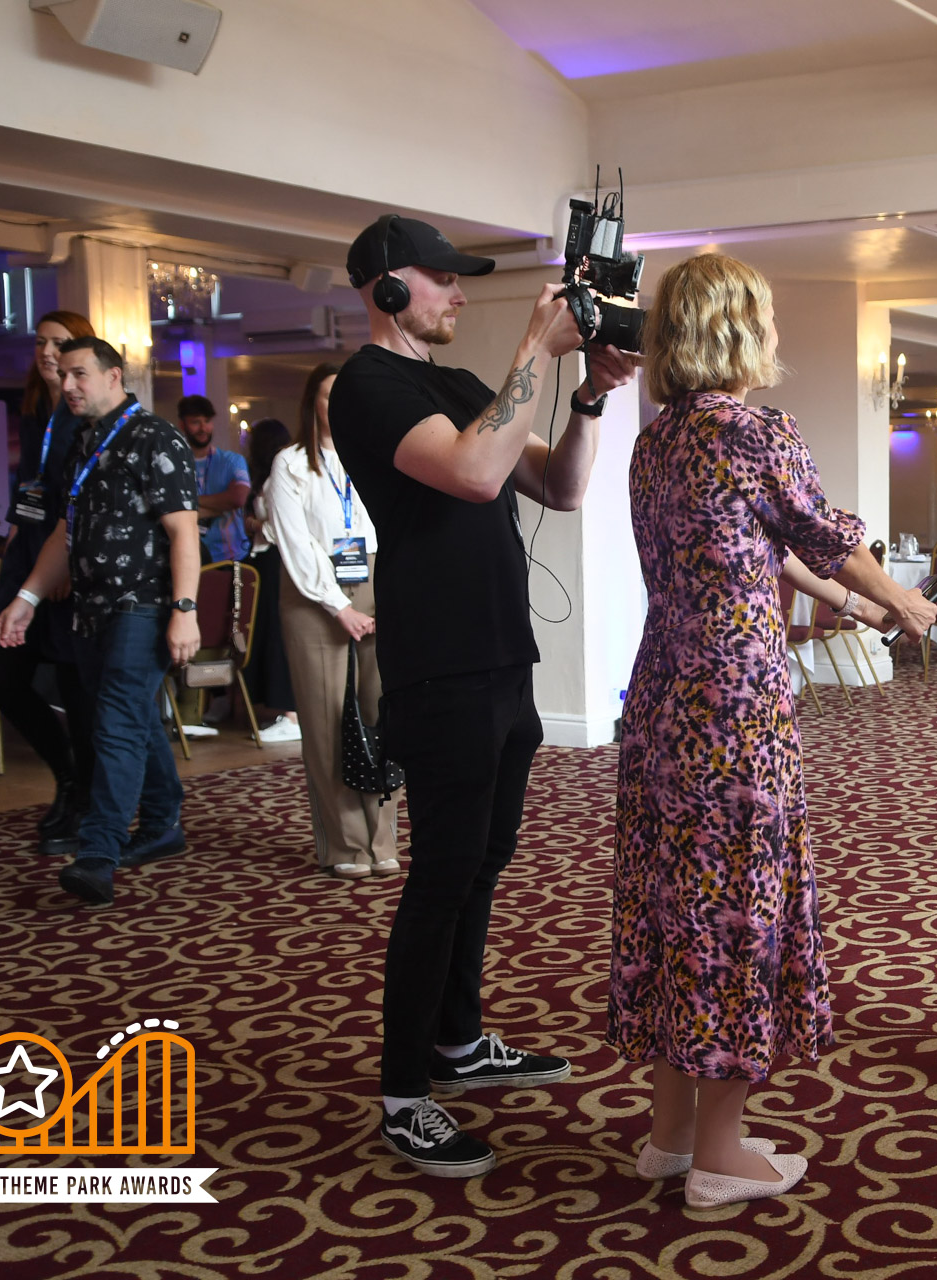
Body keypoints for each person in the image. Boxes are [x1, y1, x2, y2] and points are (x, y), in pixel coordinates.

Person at [610, 253, 937, 1210]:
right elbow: (824, 530)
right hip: (735, 708)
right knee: (733, 909)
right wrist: (901, 601)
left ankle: (670, 1135)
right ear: (738, 331)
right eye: (768, 317)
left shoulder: (656, 443)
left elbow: (763, 543)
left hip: (662, 698)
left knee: (675, 904)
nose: (778, 334)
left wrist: (849, 601)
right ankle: (721, 1151)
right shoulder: (758, 433)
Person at [327, 214, 637, 1178]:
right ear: (386, 287)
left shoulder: (462, 386)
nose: (459, 293)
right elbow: (469, 472)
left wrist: (588, 398)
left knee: (482, 865)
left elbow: (559, 487)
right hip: (440, 664)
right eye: (442, 278)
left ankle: (457, 1042)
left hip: (503, 657)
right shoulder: (367, 387)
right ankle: (403, 1094)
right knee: (440, 876)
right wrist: (534, 349)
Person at [0, 337, 202, 907]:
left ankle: (98, 853)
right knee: (132, 717)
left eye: (79, 374)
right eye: (63, 375)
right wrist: (28, 597)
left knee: (114, 724)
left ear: (114, 376)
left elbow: (184, 532)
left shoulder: (155, 437)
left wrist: (185, 611)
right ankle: (162, 823)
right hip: (90, 610)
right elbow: (65, 533)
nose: (67, 385)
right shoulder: (82, 442)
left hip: (143, 604)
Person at [266, 362, 396, 877]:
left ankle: (382, 842)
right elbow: (295, 544)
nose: (340, 404)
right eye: (329, 395)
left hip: (375, 583)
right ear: (312, 404)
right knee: (327, 722)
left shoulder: (376, 454)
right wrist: (337, 606)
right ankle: (346, 846)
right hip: (313, 592)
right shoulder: (291, 463)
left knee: (381, 715)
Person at [0, 309, 97, 856]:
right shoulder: (34, 411)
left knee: (76, 689)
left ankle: (86, 801)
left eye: (60, 343)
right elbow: (28, 490)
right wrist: (11, 548)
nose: (48, 352)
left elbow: (80, 501)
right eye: (41, 342)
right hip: (26, 559)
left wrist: (62, 565)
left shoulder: (84, 414)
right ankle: (66, 775)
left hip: (66, 564)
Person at [239, 417, 300, 743]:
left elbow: (279, 527)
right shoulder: (267, 476)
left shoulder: (280, 474)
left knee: (278, 632)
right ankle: (278, 709)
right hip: (263, 561)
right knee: (262, 633)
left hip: (276, 560)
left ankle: (291, 714)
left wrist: (253, 524)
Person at [178, 394, 251, 565]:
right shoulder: (175, 465)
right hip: (190, 558)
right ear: (182, 425)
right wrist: (219, 505)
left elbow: (237, 499)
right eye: (195, 422)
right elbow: (170, 507)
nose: (203, 428)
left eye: (207, 421)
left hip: (232, 556)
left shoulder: (232, 461)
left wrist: (190, 502)